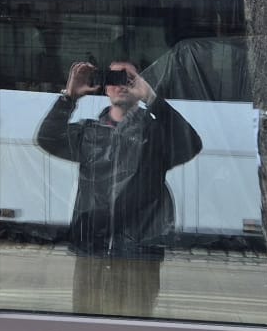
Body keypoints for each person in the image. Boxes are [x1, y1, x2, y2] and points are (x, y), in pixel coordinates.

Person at [35, 57, 202, 317]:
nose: (121, 85)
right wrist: (70, 97)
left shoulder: (155, 135)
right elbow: (47, 138)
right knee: (87, 321)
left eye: (129, 79)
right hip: (93, 249)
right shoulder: (90, 133)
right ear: (105, 86)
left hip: (139, 251)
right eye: (114, 79)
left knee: (136, 324)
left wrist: (152, 98)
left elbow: (191, 143)